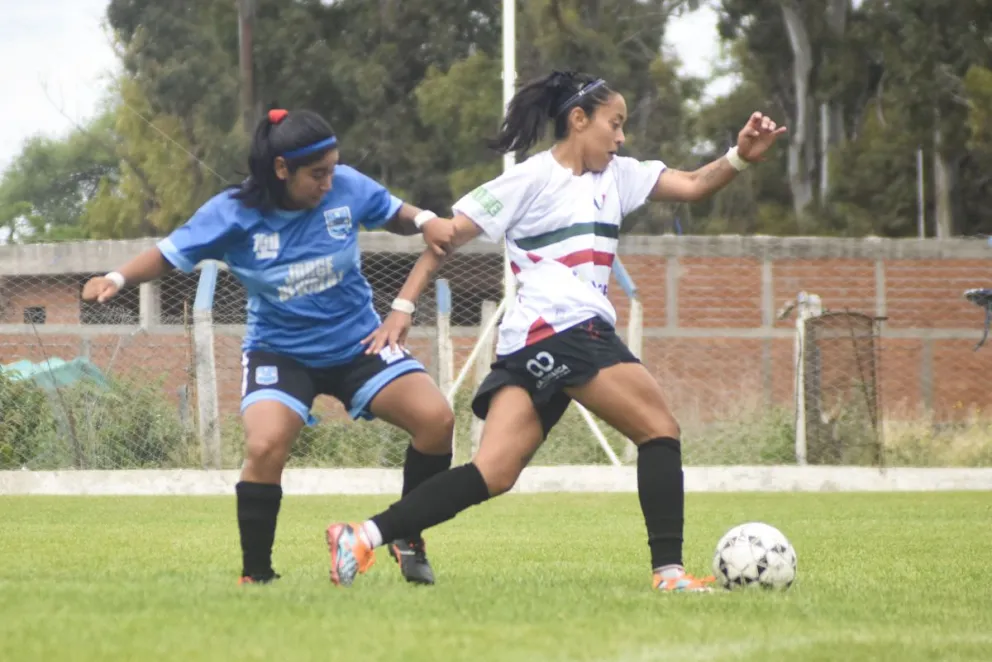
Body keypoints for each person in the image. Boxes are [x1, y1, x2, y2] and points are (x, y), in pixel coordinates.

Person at [324, 71, 786, 592]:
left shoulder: (621, 175)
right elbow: (446, 236)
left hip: (527, 345)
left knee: (492, 473)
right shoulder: (529, 179)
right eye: (615, 124)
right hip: (566, 327)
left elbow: (696, 185)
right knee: (659, 429)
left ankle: (361, 535)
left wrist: (741, 155)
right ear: (578, 119)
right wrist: (403, 306)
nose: (621, 137)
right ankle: (669, 573)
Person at [82, 108, 460, 586]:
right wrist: (117, 277)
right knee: (264, 445)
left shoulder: (344, 186)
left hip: (359, 341)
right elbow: (168, 252)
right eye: (316, 174)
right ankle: (257, 576)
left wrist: (425, 218)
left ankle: (407, 535)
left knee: (437, 421)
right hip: (280, 353)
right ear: (282, 169)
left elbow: (392, 211)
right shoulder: (232, 214)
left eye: (332, 169)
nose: (328, 182)